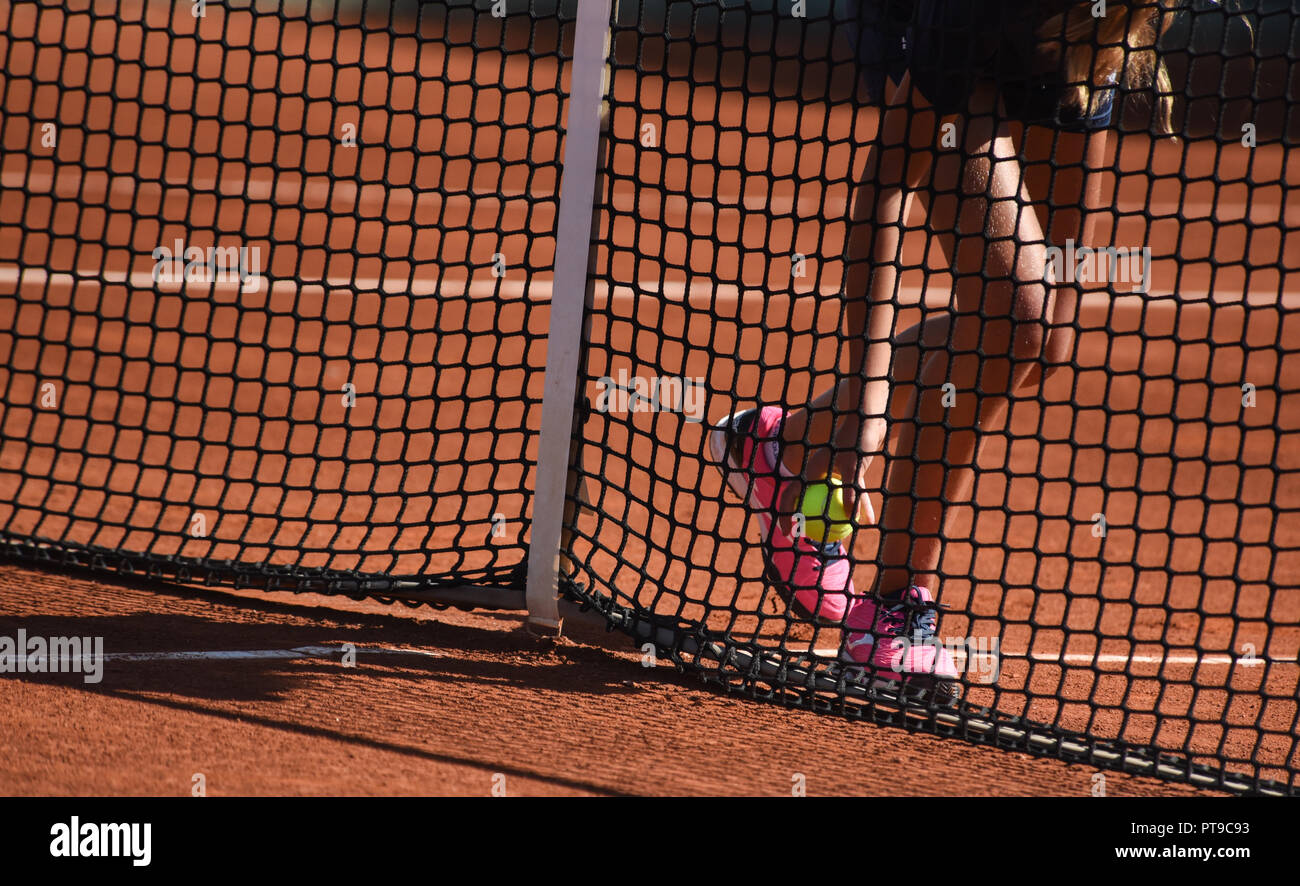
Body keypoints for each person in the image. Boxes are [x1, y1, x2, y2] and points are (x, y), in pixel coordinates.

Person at [708, 1, 1177, 699]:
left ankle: (780, 446)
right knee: (1014, 317)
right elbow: (886, 186)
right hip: (934, 28)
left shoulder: (1121, 15)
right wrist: (866, 402)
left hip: (1060, 48)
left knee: (1041, 340)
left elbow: (1081, 159)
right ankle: (891, 614)